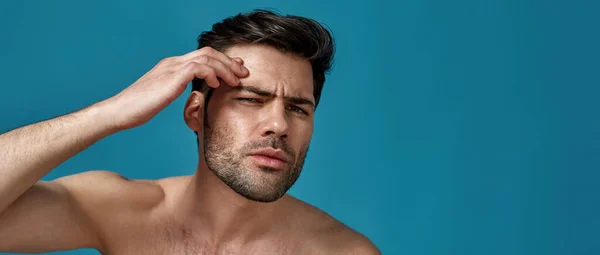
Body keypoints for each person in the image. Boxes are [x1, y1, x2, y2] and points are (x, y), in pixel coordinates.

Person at [0, 9, 380, 254]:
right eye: (250, 99)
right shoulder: (121, 211)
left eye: (298, 108)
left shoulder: (342, 251)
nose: (279, 126)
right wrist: (111, 112)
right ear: (196, 113)